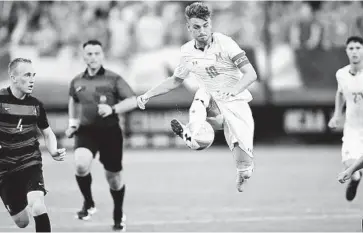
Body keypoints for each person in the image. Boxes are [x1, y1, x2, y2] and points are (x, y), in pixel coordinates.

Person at [137, 2, 258, 192]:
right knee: (202, 94)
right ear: (189, 28)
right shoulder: (187, 51)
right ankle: (192, 131)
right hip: (210, 97)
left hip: (235, 101)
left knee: (246, 169)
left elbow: (251, 74)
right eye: (196, 27)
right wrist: (147, 95)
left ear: (210, 24)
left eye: (205, 25)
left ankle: (240, 171)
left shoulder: (225, 43)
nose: (202, 31)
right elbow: (175, 80)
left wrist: (234, 90)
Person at [65, 40, 137, 231]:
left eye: (97, 53)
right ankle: (88, 203)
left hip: (110, 132)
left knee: (113, 179)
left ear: (102, 55)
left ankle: (118, 212)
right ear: (83, 56)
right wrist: (73, 124)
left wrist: (113, 109)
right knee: (80, 165)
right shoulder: (77, 81)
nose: (93, 57)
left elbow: (133, 101)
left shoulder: (114, 78)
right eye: (89, 53)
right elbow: (73, 100)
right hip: (86, 131)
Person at [0, 58, 66, 232]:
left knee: (37, 206)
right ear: (13, 78)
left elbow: (47, 132)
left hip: (30, 163)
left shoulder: (35, 105)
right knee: (22, 222)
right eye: (27, 75)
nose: (32, 79)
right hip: (4, 170)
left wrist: (53, 150)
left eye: (33, 75)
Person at [329, 36, 363, 201]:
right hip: (352, 126)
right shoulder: (341, 74)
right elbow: (340, 93)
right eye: (351, 48)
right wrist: (336, 115)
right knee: (348, 161)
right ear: (346, 51)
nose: (355, 51)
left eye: (358, 47)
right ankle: (356, 179)